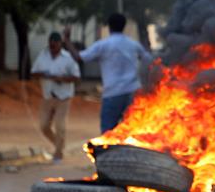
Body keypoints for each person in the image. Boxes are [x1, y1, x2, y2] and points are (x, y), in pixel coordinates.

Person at [63, 13, 153, 134]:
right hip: (133, 92)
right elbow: (150, 61)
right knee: (134, 130)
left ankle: (110, 153)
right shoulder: (133, 44)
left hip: (113, 93)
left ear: (109, 26)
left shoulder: (103, 45)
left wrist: (67, 41)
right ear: (124, 26)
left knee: (108, 133)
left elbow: (79, 57)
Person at [31, 32, 81, 162]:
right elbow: (34, 73)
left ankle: (58, 153)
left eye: (55, 43)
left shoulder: (68, 58)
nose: (52, 45)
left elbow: (76, 77)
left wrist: (62, 79)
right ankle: (59, 144)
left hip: (63, 97)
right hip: (47, 96)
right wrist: (45, 75)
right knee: (43, 126)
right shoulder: (43, 56)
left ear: (60, 44)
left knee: (60, 126)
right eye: (50, 43)